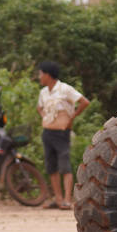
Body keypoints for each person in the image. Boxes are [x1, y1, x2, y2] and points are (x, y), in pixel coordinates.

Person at [37, 60, 89, 210]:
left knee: (64, 165)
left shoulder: (65, 89)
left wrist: (71, 117)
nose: (39, 76)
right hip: (48, 132)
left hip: (62, 132)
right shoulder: (43, 92)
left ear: (48, 74)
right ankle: (58, 199)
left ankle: (67, 199)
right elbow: (39, 107)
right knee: (51, 166)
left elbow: (84, 102)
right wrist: (45, 117)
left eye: (41, 73)